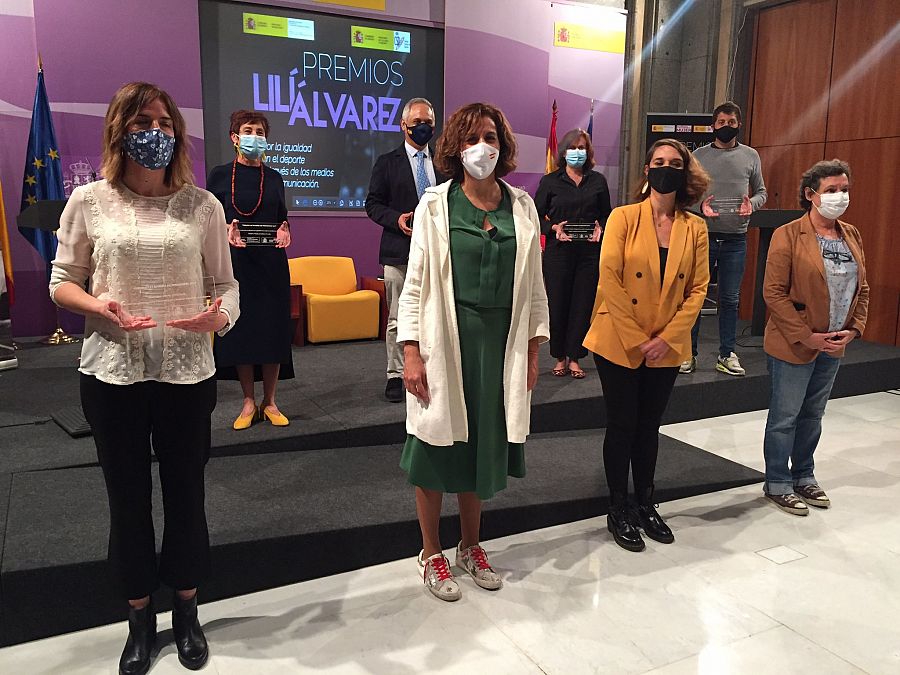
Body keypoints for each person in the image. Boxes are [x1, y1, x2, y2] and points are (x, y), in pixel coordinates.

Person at [49, 82, 239, 675]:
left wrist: (219, 316)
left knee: (187, 495)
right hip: (112, 374)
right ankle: (139, 617)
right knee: (127, 500)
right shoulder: (88, 201)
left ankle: (186, 608)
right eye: (140, 123)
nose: (154, 133)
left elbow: (227, 285)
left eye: (163, 122)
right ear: (118, 131)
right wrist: (98, 307)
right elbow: (61, 280)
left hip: (187, 374)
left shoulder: (203, 206)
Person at [398, 102, 549, 600]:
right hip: (447, 339)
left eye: (490, 136)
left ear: (502, 144)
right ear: (455, 148)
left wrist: (531, 349)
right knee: (436, 446)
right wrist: (412, 352)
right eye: (470, 138)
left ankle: (470, 545)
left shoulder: (522, 205)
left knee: (481, 444)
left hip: (499, 345)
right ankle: (431, 552)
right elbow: (416, 283)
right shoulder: (435, 206)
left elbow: (534, 286)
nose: (481, 146)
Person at [583, 139, 709, 552]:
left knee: (649, 426)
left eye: (674, 163)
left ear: (685, 172)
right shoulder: (623, 217)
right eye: (659, 162)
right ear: (647, 169)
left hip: (667, 344)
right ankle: (618, 506)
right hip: (620, 339)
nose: (666, 168)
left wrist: (667, 339)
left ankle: (645, 502)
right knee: (622, 424)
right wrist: (639, 340)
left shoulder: (696, 227)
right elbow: (609, 279)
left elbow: (698, 289)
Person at [762, 159, 868, 515]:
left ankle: (803, 475)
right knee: (785, 416)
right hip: (796, 342)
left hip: (835, 343)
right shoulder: (788, 234)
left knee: (814, 414)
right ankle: (777, 481)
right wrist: (807, 337)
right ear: (811, 195)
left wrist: (853, 330)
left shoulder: (851, 234)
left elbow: (862, 289)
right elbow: (774, 293)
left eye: (844, 189)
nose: (840, 196)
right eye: (831, 190)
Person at [207, 110, 294, 430]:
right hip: (236, 264)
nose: (254, 136)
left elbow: (282, 218)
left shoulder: (275, 177)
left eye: (260, 131)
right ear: (234, 137)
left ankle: (270, 401)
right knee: (242, 332)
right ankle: (247, 402)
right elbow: (208, 221)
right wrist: (223, 231)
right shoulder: (219, 175)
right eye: (248, 130)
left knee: (272, 331)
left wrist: (286, 229)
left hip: (271, 265)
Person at [365, 97, 447, 402]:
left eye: (429, 122)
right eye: (417, 123)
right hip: (398, 251)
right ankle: (395, 374)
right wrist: (396, 219)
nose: (424, 127)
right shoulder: (387, 162)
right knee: (399, 317)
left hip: (437, 252)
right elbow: (372, 204)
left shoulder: (444, 163)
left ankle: (432, 369)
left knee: (435, 315)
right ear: (404, 125)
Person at [683, 101, 767, 375]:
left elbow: (762, 193)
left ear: (738, 125)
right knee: (695, 296)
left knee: (730, 299)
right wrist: (700, 208)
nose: (726, 127)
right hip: (703, 237)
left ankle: (727, 353)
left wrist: (750, 205)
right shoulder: (698, 156)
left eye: (731, 123)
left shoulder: (751, 156)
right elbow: (687, 195)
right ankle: (688, 353)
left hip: (736, 239)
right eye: (721, 123)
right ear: (713, 126)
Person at [535, 128, 612, 379]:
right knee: (558, 305)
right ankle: (559, 357)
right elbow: (536, 215)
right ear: (564, 151)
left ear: (588, 152)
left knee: (582, 305)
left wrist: (601, 227)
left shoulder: (598, 181)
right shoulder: (550, 181)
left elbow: (606, 214)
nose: (578, 152)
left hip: (589, 253)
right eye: (573, 148)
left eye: (582, 148)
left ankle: (575, 357)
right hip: (559, 253)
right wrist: (553, 227)